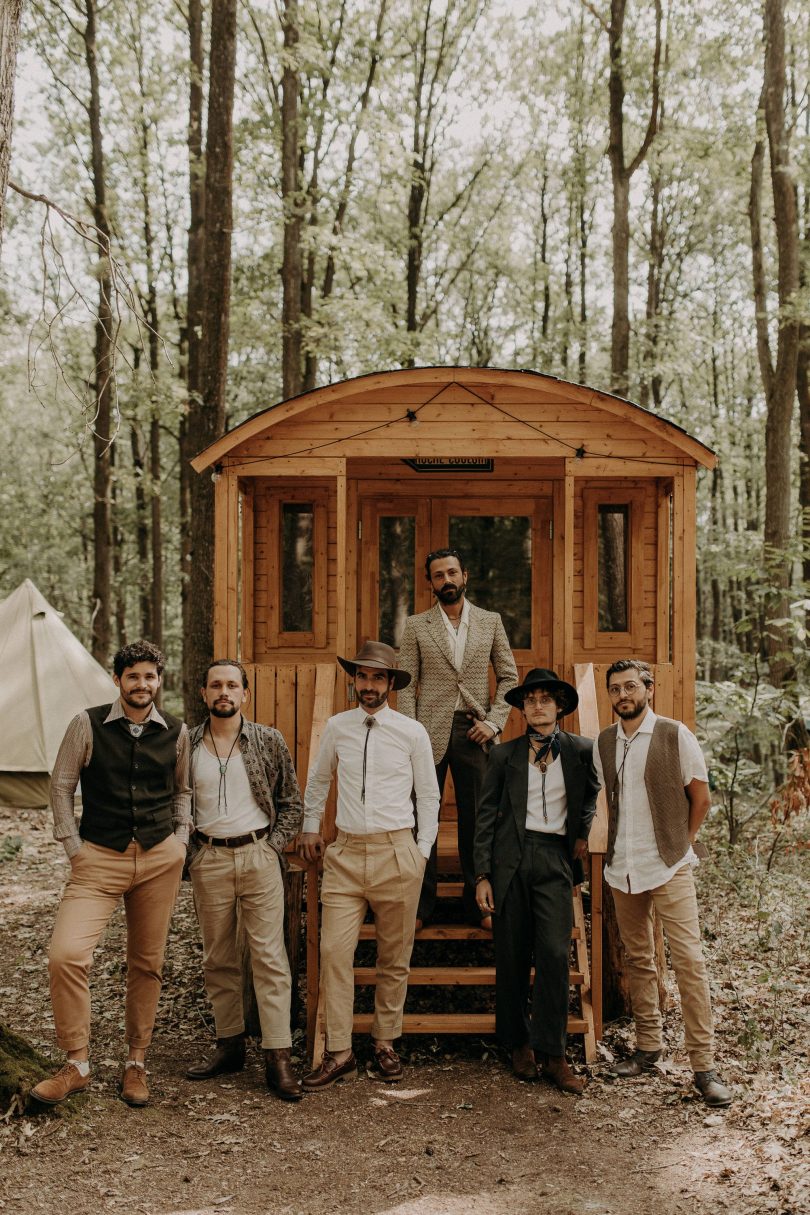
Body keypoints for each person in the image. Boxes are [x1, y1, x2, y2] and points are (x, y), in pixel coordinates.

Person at [32, 640, 190, 1108]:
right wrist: (73, 847)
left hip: (160, 858)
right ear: (118, 679)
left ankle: (136, 1063)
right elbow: (60, 786)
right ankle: (77, 1063)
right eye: (133, 676)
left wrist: (181, 839)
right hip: (98, 859)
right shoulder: (87, 724)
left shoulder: (177, 733)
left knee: (147, 963)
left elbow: (183, 790)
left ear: (159, 682)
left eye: (150, 677)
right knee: (66, 955)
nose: (142, 684)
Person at [298, 641, 440, 1089]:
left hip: (397, 852)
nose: (369, 685)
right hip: (345, 854)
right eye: (362, 676)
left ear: (391, 684)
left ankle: (385, 1041)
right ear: (353, 680)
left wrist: (421, 851)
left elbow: (429, 795)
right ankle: (339, 1052)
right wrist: (309, 827)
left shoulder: (412, 731)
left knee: (393, 957)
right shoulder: (338, 727)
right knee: (335, 953)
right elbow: (319, 779)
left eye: (378, 677)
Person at [594, 659, 733, 1107]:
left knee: (689, 961)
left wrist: (681, 845)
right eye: (615, 689)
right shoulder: (605, 742)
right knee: (639, 959)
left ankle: (704, 1067)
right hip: (623, 867)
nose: (623, 696)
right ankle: (648, 1048)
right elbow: (605, 802)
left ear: (648, 688)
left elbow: (702, 797)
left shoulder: (675, 735)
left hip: (670, 865)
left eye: (630, 686)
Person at [473, 669, 598, 1094]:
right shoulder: (503, 755)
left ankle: (555, 1053)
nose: (538, 706)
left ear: (559, 706)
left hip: (555, 859)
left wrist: (581, 834)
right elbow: (486, 817)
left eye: (546, 699)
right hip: (511, 857)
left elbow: (593, 793)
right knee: (511, 953)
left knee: (552, 953)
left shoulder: (581, 750)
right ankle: (518, 1043)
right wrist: (482, 875)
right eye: (530, 700)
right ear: (522, 709)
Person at [185, 660, 304, 1101]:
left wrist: (272, 847)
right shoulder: (187, 745)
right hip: (209, 856)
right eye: (215, 684)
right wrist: (191, 853)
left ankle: (278, 1056)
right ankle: (229, 1043)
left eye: (232, 685)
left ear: (245, 695)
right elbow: (179, 802)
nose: (224, 692)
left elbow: (291, 801)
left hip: (258, 855)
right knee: (218, 957)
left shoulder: (268, 740)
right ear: (203, 693)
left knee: (269, 957)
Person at [398, 548, 518, 927]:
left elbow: (509, 677)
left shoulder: (490, 621)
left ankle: (479, 904)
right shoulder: (417, 626)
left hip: (474, 730)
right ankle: (420, 907)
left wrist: (495, 723)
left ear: (465, 576)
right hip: (425, 731)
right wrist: (408, 732)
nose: (446, 580)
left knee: (478, 819)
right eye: (438, 575)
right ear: (430, 583)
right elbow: (405, 684)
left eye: (452, 573)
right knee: (422, 818)